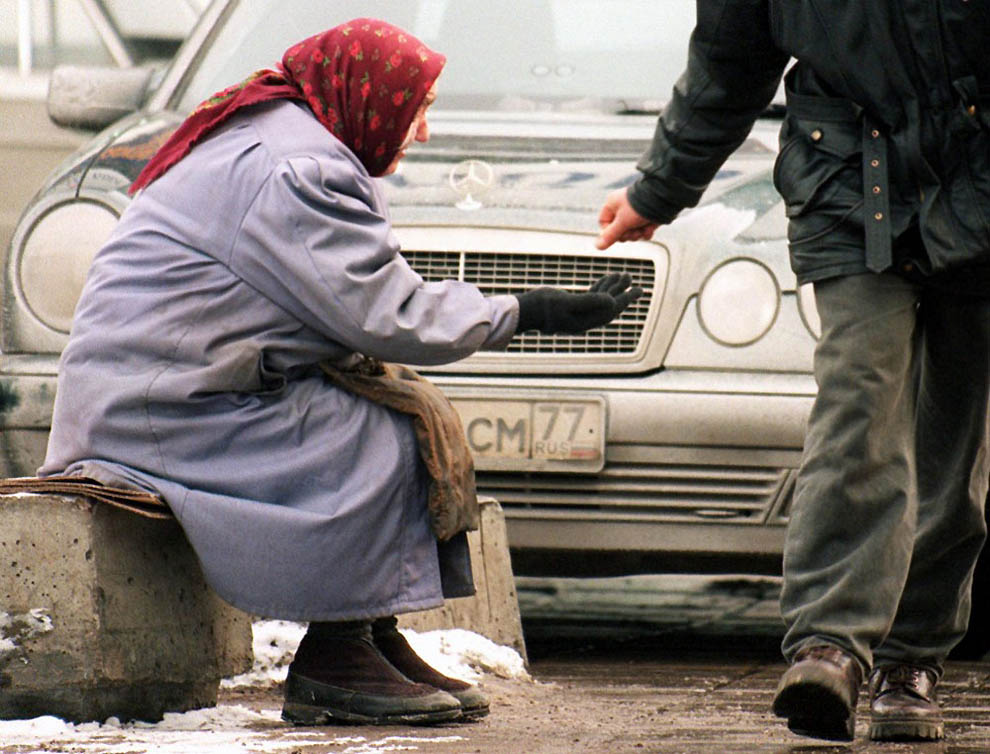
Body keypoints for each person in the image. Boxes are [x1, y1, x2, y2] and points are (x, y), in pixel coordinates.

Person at [39, 19, 641, 727]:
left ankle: (368, 633)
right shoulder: (300, 168)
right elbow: (385, 313)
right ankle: (335, 655)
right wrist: (526, 310)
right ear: (370, 97)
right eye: (418, 109)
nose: (422, 133)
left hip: (166, 388)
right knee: (383, 436)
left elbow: (344, 294)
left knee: (390, 411)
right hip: (158, 411)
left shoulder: (289, 138)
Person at [596, 1, 990, 744]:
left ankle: (911, 659)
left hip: (979, 178)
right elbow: (730, 63)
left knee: (955, 437)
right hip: (849, 177)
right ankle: (830, 646)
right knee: (858, 400)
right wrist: (658, 191)